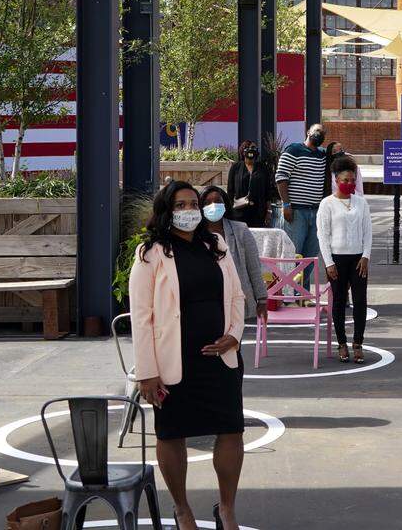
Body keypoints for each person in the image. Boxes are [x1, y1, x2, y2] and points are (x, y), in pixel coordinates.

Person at [129, 181, 246, 530]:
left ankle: (227, 508)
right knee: (171, 434)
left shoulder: (217, 245)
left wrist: (233, 336)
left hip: (220, 360)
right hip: (172, 364)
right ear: (167, 211)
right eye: (180, 205)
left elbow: (237, 297)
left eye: (193, 204)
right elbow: (141, 317)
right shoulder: (149, 255)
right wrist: (147, 373)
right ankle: (182, 509)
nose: (189, 211)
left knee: (230, 431)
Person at [317, 155, 373, 364]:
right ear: (336, 180)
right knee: (339, 302)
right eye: (345, 180)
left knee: (360, 301)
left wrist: (366, 256)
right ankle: (341, 342)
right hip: (337, 260)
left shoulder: (361, 203)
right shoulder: (327, 204)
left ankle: (357, 342)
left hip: (358, 259)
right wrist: (329, 263)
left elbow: (367, 232)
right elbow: (322, 235)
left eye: (352, 180)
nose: (349, 184)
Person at [201, 186, 267, 324]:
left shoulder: (241, 230)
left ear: (225, 204)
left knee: (234, 342)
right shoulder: (194, 234)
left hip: (235, 299)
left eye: (218, 201)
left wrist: (262, 299)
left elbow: (254, 267)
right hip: (206, 302)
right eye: (207, 202)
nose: (213, 206)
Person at [276, 124, 329, 283]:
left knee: (310, 256)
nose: (319, 134)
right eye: (317, 131)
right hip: (296, 212)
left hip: (316, 212)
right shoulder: (293, 150)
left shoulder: (322, 155)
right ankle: (287, 293)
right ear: (308, 132)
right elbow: (281, 177)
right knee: (292, 254)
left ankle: (302, 294)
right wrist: (286, 205)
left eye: (322, 133)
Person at [226, 139, 273, 229]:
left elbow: (268, 192)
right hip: (239, 213)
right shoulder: (236, 167)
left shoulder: (262, 168)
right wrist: (229, 212)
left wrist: (269, 211)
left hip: (259, 213)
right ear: (242, 151)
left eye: (253, 148)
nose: (250, 150)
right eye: (247, 147)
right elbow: (230, 191)